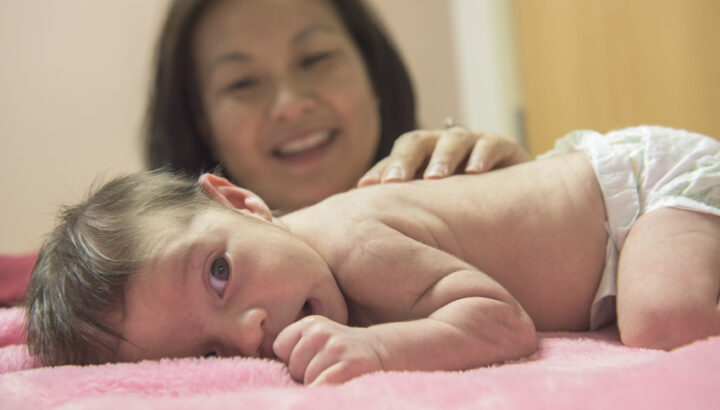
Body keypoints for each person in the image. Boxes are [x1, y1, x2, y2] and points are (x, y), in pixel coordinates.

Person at [26, 126, 720, 385]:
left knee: (664, 320)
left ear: (240, 203)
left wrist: (381, 351)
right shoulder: (303, 283)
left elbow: (501, 322)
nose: (249, 328)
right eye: (209, 354)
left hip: (639, 188)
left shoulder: (350, 239)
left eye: (218, 273)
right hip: (604, 230)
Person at [144, 0, 529, 212]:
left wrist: (521, 199)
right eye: (243, 83)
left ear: (372, 72)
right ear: (202, 123)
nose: (291, 106)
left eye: (315, 59)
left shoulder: (462, 196)